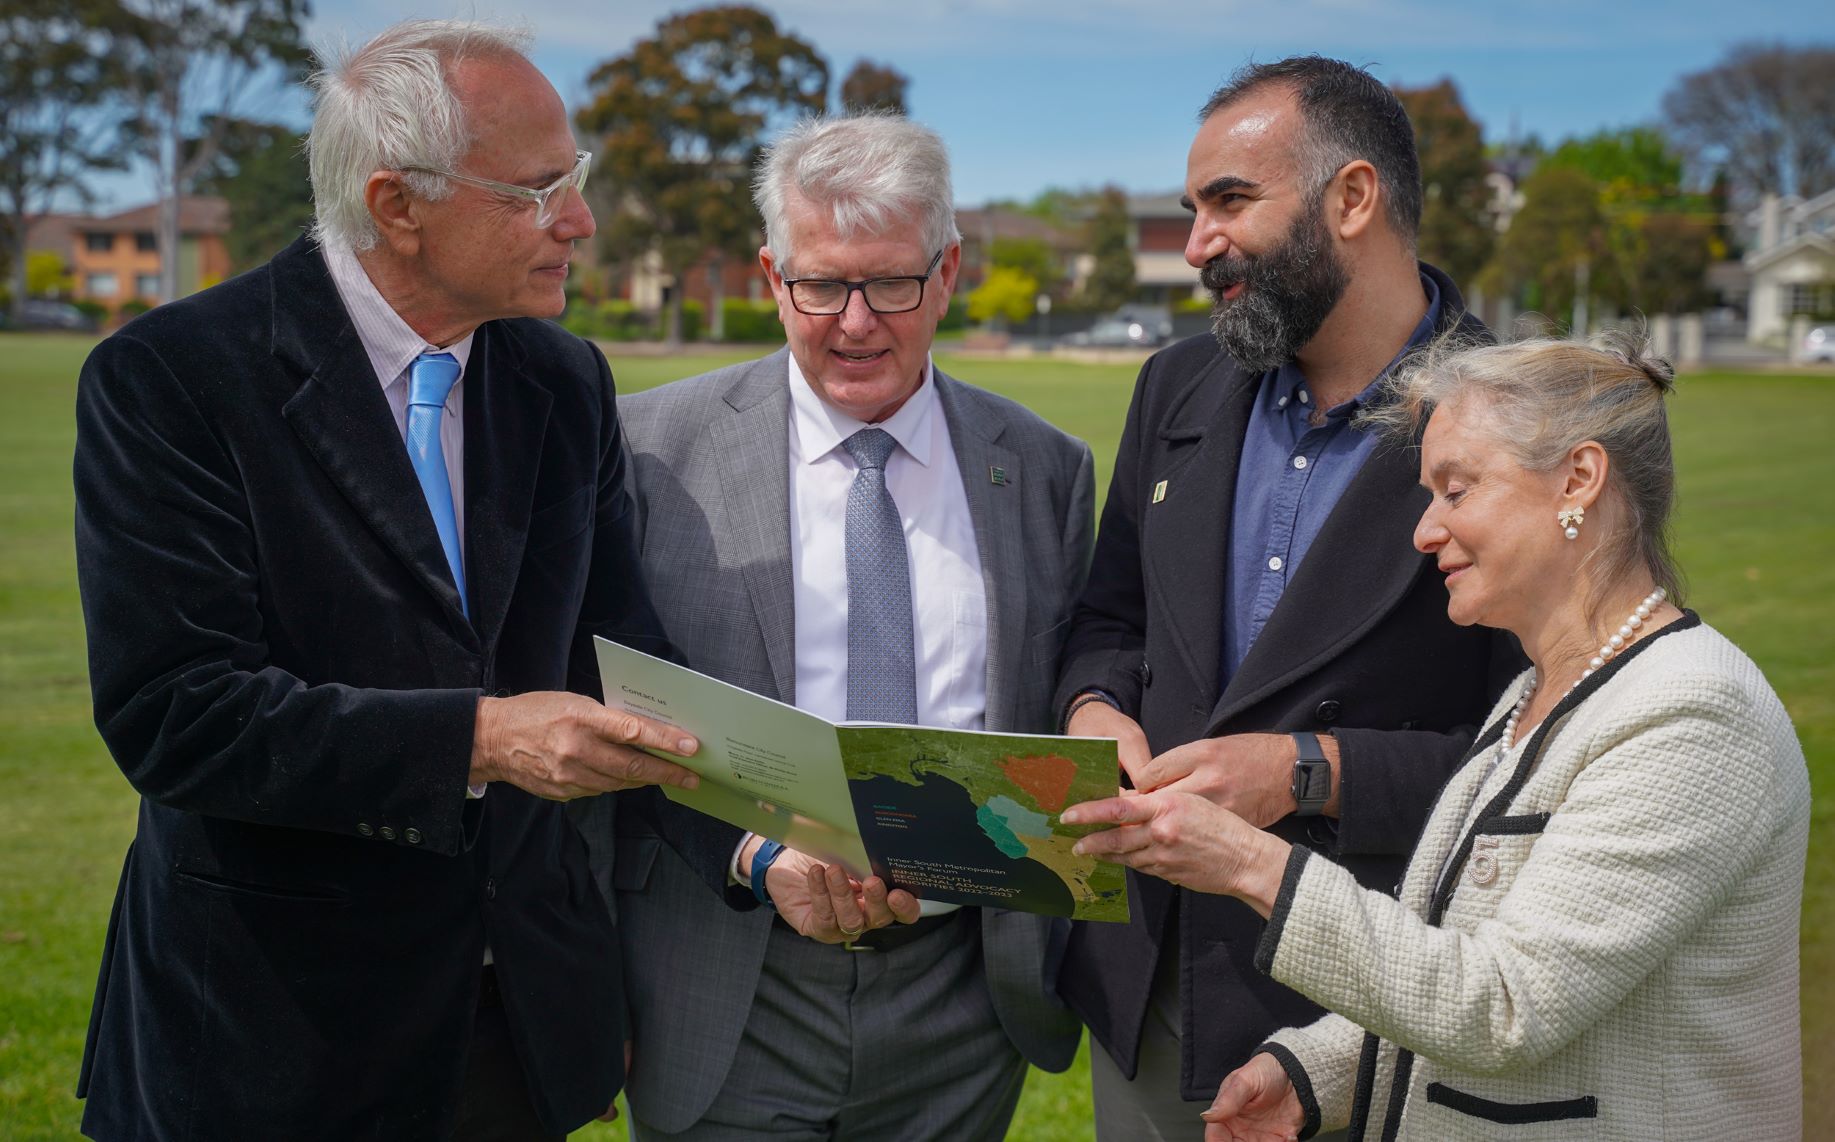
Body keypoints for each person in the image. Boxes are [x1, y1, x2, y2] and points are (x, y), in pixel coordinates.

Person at [71, 20, 713, 1140]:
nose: (579, 220)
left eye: (575, 179)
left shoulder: (562, 378)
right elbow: (175, 714)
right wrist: (483, 738)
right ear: (397, 205)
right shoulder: (171, 378)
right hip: (270, 1040)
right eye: (539, 191)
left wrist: (767, 836)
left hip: (516, 1029)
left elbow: (616, 655)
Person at [1064, 332, 1809, 1141]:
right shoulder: (1532, 695)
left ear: (1578, 479)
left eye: (1455, 491)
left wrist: (1244, 861)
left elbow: (1505, 1004)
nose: (1423, 532)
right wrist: (1317, 1072)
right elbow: (1464, 948)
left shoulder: (1690, 714)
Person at [589, 113, 1094, 1140]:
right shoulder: (646, 450)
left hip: (964, 1002)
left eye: (891, 283)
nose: (855, 322)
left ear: (946, 272)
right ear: (771, 277)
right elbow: (598, 711)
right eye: (821, 285)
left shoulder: (1045, 468)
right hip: (726, 982)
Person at [1052, 56, 1523, 1139]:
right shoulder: (1171, 385)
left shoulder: (1519, 420)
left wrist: (1308, 771)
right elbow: (1110, 618)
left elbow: (1541, 753)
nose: (1196, 244)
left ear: (1350, 197)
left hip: (1369, 999)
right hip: (1148, 988)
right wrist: (1093, 709)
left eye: (1228, 202)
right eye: (1191, 210)